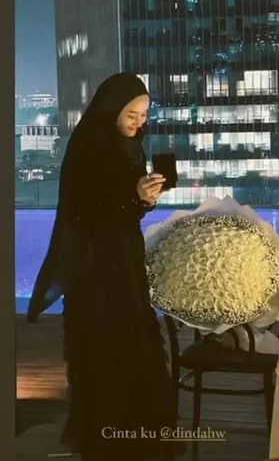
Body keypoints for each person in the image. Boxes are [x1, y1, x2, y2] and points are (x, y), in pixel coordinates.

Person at [27, 73, 184, 461]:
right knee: (104, 339)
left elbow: (125, 211)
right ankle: (108, 434)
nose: (138, 123)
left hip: (124, 254)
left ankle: (137, 428)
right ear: (112, 110)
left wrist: (143, 199)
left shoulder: (131, 145)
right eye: (132, 115)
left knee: (133, 335)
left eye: (143, 116)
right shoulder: (88, 146)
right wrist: (131, 194)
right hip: (95, 262)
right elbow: (84, 209)